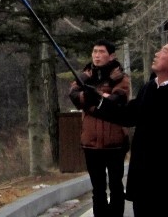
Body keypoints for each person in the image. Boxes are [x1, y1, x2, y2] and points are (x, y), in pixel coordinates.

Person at [94, 37, 168, 217]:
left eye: (164, 52)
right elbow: (129, 115)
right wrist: (98, 101)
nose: (156, 54)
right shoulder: (149, 88)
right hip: (144, 183)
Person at [68, 40, 130, 217]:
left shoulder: (120, 77)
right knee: (98, 189)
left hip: (115, 141)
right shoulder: (84, 77)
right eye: (94, 51)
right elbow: (74, 96)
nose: (96, 55)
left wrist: (93, 100)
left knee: (116, 186)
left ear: (111, 56)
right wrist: (99, 98)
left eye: (101, 52)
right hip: (91, 142)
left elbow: (117, 100)